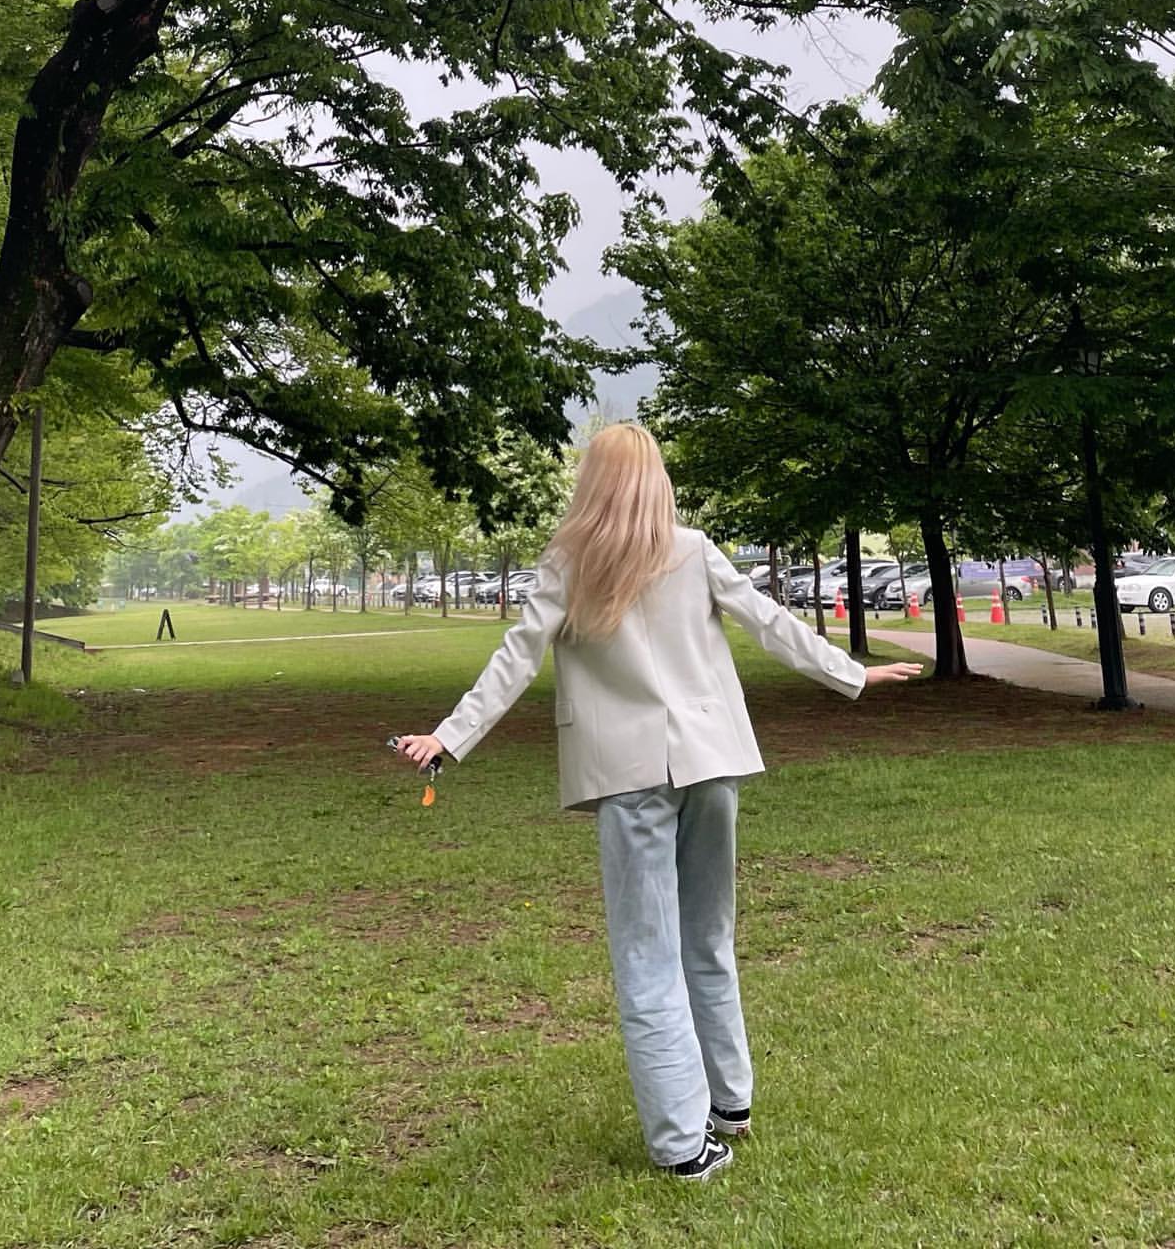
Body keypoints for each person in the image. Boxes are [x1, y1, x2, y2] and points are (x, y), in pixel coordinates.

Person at [393, 423, 921, 1181]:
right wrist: (851, 673)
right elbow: (768, 623)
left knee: (649, 955)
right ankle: (729, 1103)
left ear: (592, 480)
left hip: (629, 773)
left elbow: (517, 658)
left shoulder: (571, 560)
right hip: (711, 762)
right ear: (657, 479)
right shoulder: (690, 549)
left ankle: (682, 1143)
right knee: (708, 938)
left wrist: (448, 736)